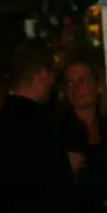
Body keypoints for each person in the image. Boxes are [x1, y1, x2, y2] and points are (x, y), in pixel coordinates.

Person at [0, 40, 76, 213]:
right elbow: (59, 189)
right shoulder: (43, 122)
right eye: (52, 73)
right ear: (42, 73)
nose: (52, 81)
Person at [59, 55, 107, 212]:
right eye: (70, 83)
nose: (76, 88)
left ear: (98, 85)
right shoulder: (59, 131)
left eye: (83, 81)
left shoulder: (104, 127)